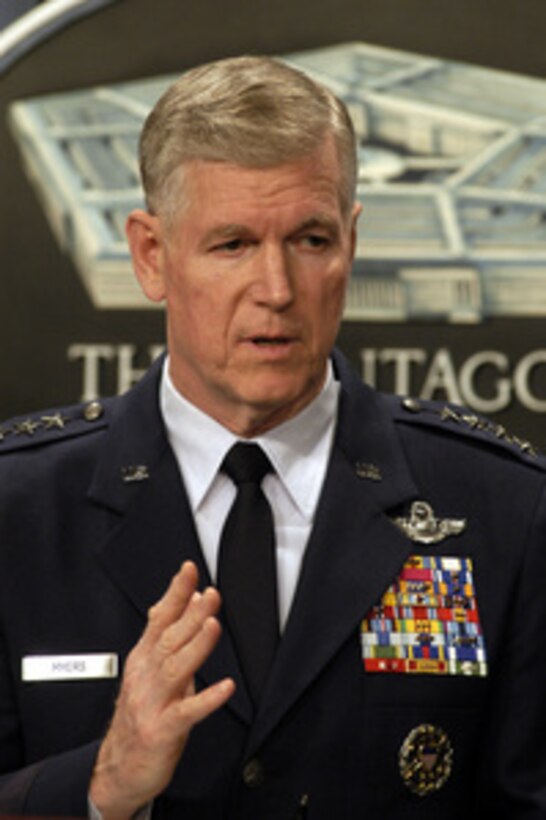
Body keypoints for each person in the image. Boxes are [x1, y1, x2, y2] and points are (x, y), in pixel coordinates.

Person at [0, 55, 545, 820]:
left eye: (311, 240)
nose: (278, 289)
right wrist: (100, 787)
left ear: (350, 242)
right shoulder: (16, 512)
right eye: (232, 245)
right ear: (151, 255)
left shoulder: (504, 513)